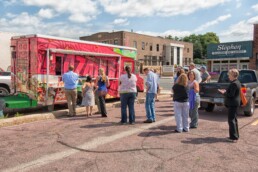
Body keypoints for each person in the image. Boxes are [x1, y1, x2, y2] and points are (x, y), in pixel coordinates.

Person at [218, 69, 241, 143]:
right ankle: (235, 136)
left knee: (231, 120)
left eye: (229, 75)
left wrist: (223, 92)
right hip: (234, 103)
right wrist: (226, 91)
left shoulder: (234, 83)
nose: (228, 76)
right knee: (234, 120)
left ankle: (233, 137)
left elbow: (231, 95)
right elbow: (231, 92)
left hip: (233, 103)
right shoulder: (236, 82)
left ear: (233, 75)